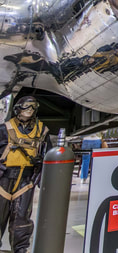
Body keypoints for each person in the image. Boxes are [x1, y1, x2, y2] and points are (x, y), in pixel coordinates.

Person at [0, 96, 52, 253]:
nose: (29, 110)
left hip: (26, 180)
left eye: (32, 107)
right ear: (18, 109)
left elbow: (48, 155)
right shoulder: (4, 129)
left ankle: (20, 249)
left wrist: (42, 169)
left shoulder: (42, 131)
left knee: (22, 219)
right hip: (3, 179)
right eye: (26, 106)